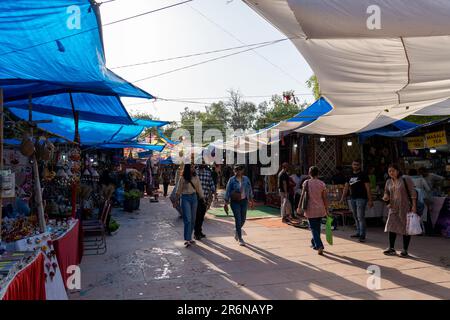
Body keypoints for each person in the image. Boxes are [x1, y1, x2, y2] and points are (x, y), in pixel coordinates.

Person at [382, 164, 417, 257]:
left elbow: (413, 192)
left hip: (405, 206)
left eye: (393, 171)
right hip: (393, 207)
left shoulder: (405, 179)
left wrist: (414, 206)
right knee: (391, 226)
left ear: (398, 171)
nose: (391, 173)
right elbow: (386, 192)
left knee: (405, 227)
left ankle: (405, 250)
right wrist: (386, 197)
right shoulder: (388, 181)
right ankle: (391, 248)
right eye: (389, 171)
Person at [297, 166, 329, 256]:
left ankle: (319, 246)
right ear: (318, 174)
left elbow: (302, 195)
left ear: (309, 173)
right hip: (320, 208)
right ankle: (314, 244)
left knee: (313, 228)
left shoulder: (306, 183)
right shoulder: (322, 184)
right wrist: (327, 209)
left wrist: (299, 207)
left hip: (310, 209)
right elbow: (324, 198)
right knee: (317, 228)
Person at [340, 159, 373, 243]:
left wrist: (370, 200)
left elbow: (368, 188)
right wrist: (342, 197)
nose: (355, 166)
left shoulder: (363, 175)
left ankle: (362, 235)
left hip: (361, 198)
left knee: (360, 217)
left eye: (357, 165)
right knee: (355, 216)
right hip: (352, 198)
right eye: (354, 164)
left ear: (360, 166)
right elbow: (346, 187)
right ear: (352, 165)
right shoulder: (349, 175)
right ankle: (358, 232)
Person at [174, 164, 205, 248]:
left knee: (193, 219)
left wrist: (202, 198)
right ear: (188, 168)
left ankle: (190, 237)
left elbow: (199, 188)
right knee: (188, 219)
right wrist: (175, 201)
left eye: (193, 167)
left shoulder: (196, 177)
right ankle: (187, 239)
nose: (193, 168)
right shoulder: (183, 178)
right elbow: (178, 190)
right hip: (185, 198)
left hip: (194, 198)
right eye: (191, 167)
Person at [224, 165, 254, 246]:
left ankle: (237, 230)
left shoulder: (246, 179)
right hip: (235, 202)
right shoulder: (232, 180)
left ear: (242, 171)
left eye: (239, 170)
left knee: (243, 219)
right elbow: (227, 191)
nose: (237, 172)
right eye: (236, 170)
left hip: (244, 201)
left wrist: (251, 200)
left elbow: (250, 189)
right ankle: (240, 238)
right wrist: (226, 202)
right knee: (238, 219)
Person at [194, 164, 216, 240]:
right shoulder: (195, 173)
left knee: (201, 216)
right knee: (198, 215)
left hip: (205, 198)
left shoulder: (208, 173)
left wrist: (214, 191)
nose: (202, 164)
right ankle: (196, 233)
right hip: (196, 198)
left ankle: (199, 231)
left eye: (203, 163)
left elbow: (211, 183)